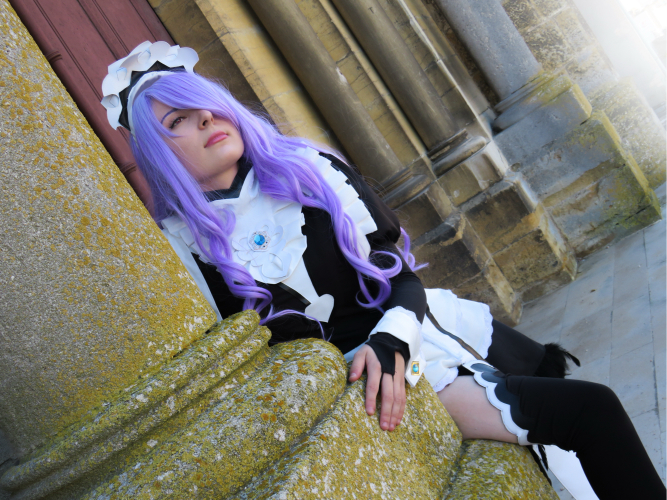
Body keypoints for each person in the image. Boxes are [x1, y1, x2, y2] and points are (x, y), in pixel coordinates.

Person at [101, 42, 665, 499]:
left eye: (206, 104)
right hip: (352, 390)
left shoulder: (309, 168)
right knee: (588, 411)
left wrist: (392, 339)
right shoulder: (179, 250)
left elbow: (401, 277)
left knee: (568, 390)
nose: (206, 117)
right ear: (157, 153)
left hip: (405, 342)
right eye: (179, 119)